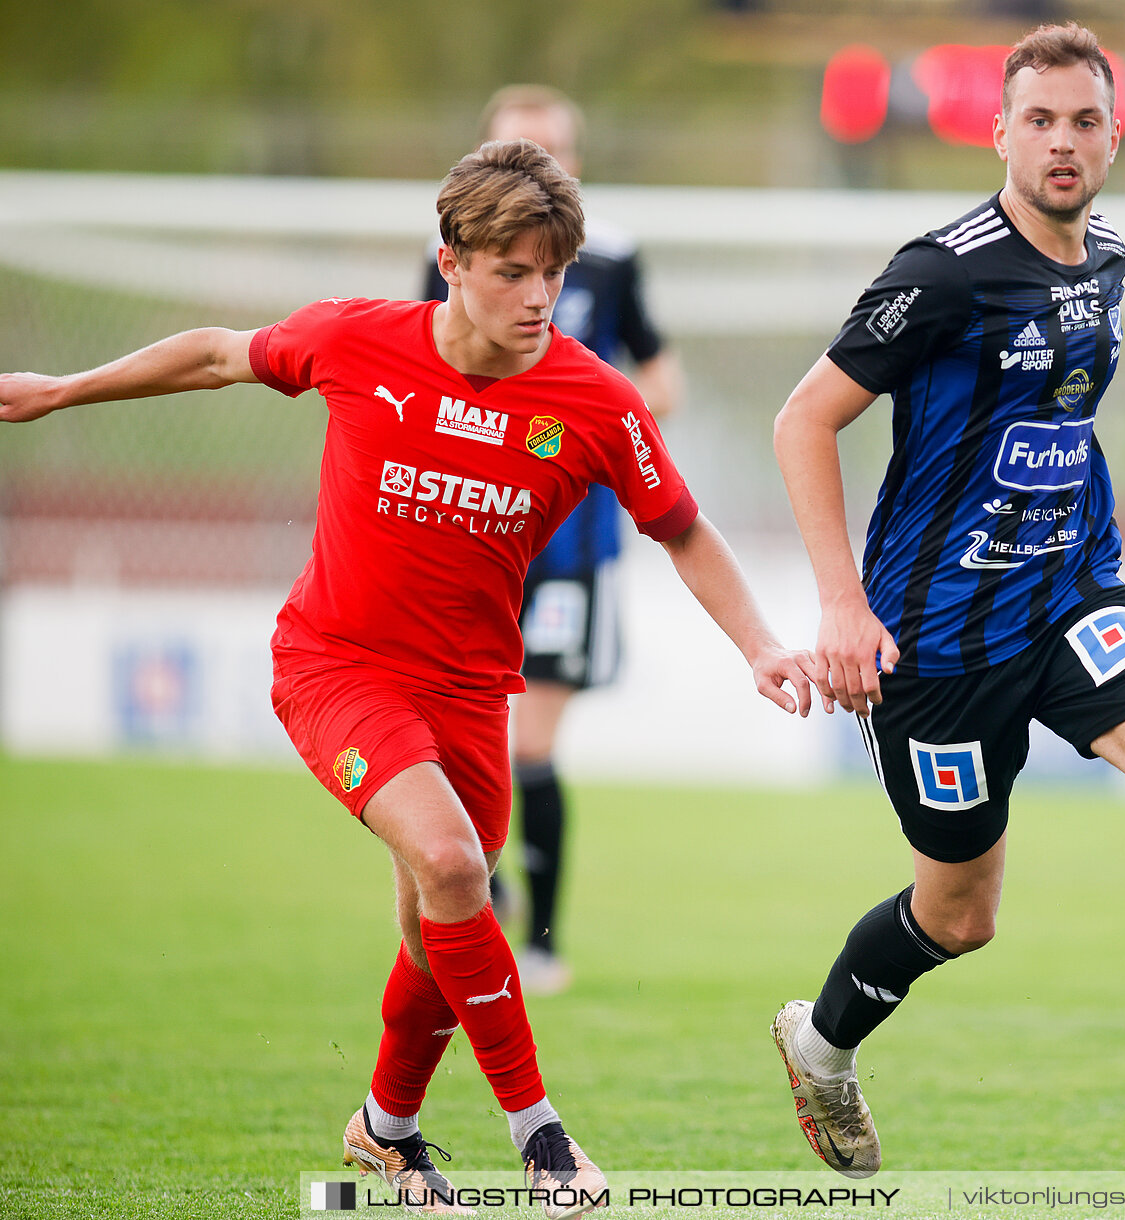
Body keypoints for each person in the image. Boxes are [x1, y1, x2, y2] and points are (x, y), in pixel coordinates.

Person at [0, 140, 816, 1217]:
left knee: (439, 926)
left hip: (474, 690)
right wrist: (64, 388)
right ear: (451, 262)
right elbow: (213, 354)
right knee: (452, 863)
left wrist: (759, 642)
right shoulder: (355, 339)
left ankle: (385, 1130)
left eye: (554, 273)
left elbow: (685, 529)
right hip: (335, 663)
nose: (539, 296)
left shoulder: (596, 400)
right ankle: (542, 1137)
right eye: (513, 271)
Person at [767, 22, 1125, 1187]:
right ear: (998, 130)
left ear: (1115, 135)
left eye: (1085, 121)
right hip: (940, 635)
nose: (1063, 142)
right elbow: (802, 419)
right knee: (959, 913)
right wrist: (840, 606)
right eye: (1041, 121)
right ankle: (821, 1044)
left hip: (1071, 593)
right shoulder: (942, 269)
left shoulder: (1108, 257)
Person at [423, 85, 685, 995]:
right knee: (463, 750)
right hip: (468, 535)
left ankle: (537, 939)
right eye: (514, 148)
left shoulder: (608, 256)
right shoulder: (446, 260)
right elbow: (427, 378)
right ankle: (475, 923)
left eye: (550, 149)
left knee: (527, 748)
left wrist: (588, 428)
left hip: (570, 545)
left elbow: (663, 378)